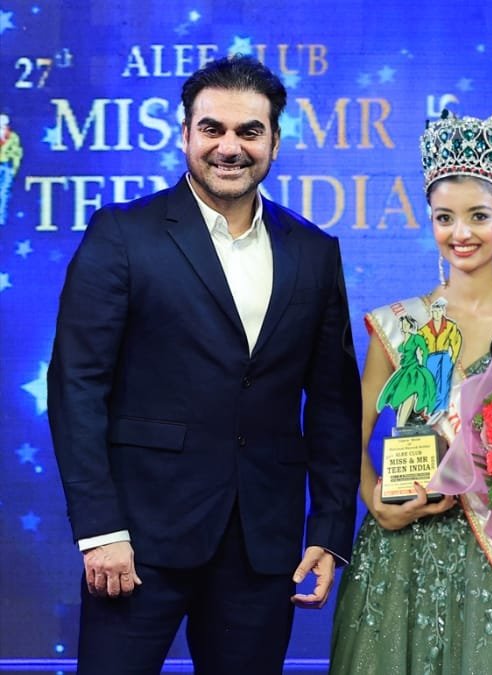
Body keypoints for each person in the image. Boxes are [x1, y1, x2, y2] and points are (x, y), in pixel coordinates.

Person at [47, 56, 361, 674]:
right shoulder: (123, 233)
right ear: (186, 134)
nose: (230, 147)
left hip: (262, 547)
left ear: (274, 141)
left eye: (249, 132)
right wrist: (100, 530)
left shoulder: (314, 251)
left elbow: (333, 403)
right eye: (213, 129)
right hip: (137, 542)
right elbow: (76, 386)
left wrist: (328, 529)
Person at [329, 109, 492, 674]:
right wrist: (373, 498)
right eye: (445, 217)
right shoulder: (398, 324)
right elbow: (349, 433)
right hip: (399, 551)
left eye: (478, 216)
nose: (461, 233)